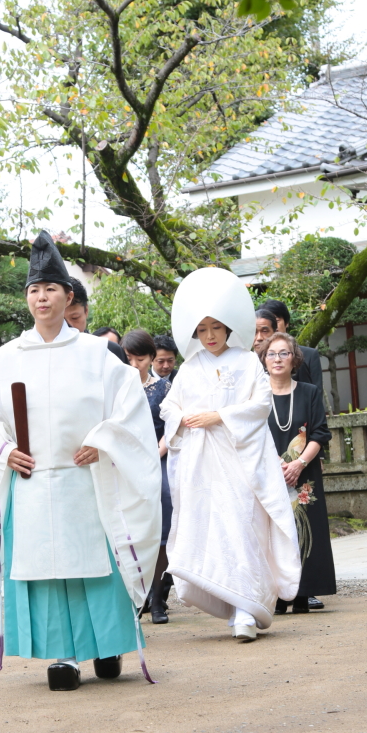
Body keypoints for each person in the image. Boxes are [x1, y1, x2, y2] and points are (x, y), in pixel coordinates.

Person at [0, 232, 162, 690]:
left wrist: (105, 440)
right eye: (33, 290)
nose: (41, 297)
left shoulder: (96, 355)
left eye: (50, 288)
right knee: (44, 570)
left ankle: (107, 645)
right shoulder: (9, 357)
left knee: (96, 562)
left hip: (84, 478)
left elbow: (128, 408)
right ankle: (63, 654)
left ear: (68, 295)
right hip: (33, 480)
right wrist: (3, 448)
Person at [159, 267, 301, 642]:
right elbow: (168, 407)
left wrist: (219, 415)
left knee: (243, 525)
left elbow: (261, 403)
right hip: (202, 464)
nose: (209, 336)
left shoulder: (246, 362)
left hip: (241, 460)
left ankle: (247, 609)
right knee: (213, 528)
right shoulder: (189, 369)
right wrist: (184, 418)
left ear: (228, 328)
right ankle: (231, 602)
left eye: (215, 328)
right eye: (202, 330)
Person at [259, 333, 337, 613]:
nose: (277, 359)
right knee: (272, 532)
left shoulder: (309, 392)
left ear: (295, 359)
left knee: (305, 530)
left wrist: (298, 464)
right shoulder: (255, 395)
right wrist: (273, 466)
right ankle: (277, 595)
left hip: (303, 472)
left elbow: (319, 433)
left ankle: (303, 593)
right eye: (271, 354)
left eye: (284, 353)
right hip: (266, 474)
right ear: (263, 360)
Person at [122, 329, 173, 625]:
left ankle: (157, 597)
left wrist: (156, 454)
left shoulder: (164, 388)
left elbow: (172, 427)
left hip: (158, 456)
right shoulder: (116, 388)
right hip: (126, 460)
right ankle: (134, 596)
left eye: (140, 358)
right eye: (128, 358)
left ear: (151, 358)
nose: (134, 364)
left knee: (164, 500)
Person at [260, 298, 324, 394]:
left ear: (286, 323)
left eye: (276, 321)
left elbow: (318, 394)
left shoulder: (310, 355)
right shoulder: (258, 358)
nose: (273, 326)